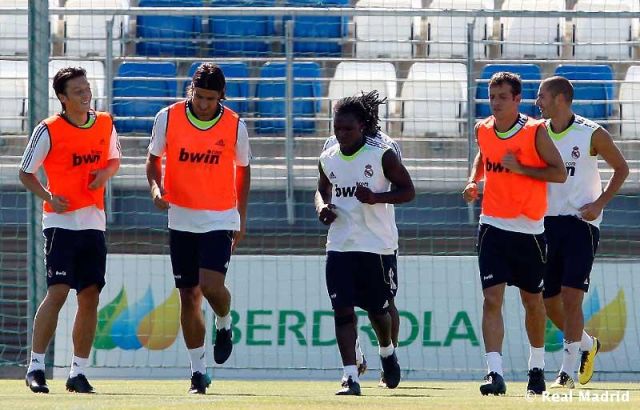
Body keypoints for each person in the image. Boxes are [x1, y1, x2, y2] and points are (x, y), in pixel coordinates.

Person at [146, 63, 251, 395]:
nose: (204, 104)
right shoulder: (167, 117)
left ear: (221, 96)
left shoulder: (235, 125)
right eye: (199, 96)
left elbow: (244, 170)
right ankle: (197, 373)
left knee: (210, 286)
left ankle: (224, 322)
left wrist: (241, 217)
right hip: (180, 218)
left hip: (220, 217)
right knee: (188, 296)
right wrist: (156, 188)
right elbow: (153, 160)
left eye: (210, 98)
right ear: (191, 91)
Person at [462, 72, 567, 396]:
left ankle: (536, 368)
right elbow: (484, 156)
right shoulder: (483, 129)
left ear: (517, 100)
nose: (495, 103)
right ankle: (495, 373)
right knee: (492, 299)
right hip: (492, 226)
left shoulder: (534, 131)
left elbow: (559, 173)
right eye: (492, 97)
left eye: (502, 97)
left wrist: (522, 168)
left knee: (532, 302)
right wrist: (473, 180)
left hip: (529, 231)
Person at [20, 67, 121, 394]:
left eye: (87, 88)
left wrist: (104, 175)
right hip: (60, 224)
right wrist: (49, 196)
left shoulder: (105, 123)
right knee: (59, 291)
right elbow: (25, 172)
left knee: (90, 296)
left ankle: (78, 372)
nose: (85, 94)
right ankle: (36, 367)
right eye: (78, 91)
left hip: (94, 222)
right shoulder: (48, 129)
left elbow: (114, 159)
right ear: (63, 98)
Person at [316, 93, 415, 395]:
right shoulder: (328, 156)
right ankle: (350, 375)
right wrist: (322, 207)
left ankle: (387, 352)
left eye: (348, 128)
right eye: (337, 128)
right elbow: (322, 189)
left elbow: (408, 191)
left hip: (376, 245)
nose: (341, 134)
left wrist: (376, 198)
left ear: (362, 126)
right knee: (342, 310)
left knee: (379, 310)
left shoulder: (383, 153)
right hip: (339, 244)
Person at [536, 76, 629, 389]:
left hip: (581, 223)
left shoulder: (591, 133)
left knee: (572, 297)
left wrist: (599, 203)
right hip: (546, 223)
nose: (537, 102)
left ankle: (567, 372)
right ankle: (588, 343)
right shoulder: (538, 132)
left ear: (560, 98)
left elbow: (622, 168)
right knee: (548, 302)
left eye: (542, 96)